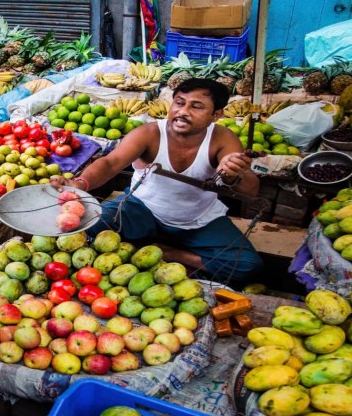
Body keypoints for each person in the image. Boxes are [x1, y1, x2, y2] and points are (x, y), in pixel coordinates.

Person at [55, 78, 263, 283]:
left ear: (216, 114)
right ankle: (149, 248)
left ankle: (171, 253)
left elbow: (250, 191)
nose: (183, 112)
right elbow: (110, 163)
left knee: (247, 265)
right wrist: (80, 183)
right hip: (141, 210)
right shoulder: (149, 134)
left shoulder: (222, 139)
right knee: (87, 226)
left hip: (197, 220)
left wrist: (235, 174)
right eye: (179, 103)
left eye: (196, 106)